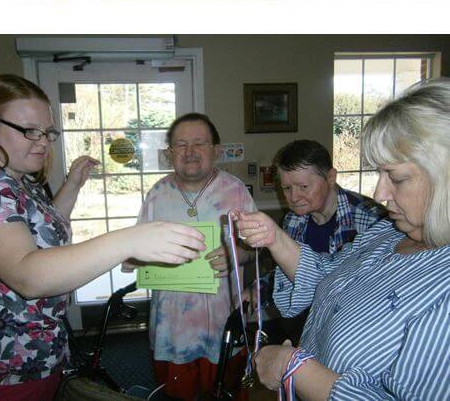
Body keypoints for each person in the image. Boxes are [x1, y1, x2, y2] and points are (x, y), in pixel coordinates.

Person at [0, 75, 205, 400]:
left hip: (33, 351)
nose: (44, 141)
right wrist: (129, 240)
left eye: (47, 132)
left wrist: (73, 184)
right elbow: (27, 274)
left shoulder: (18, 181)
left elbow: (47, 234)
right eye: (29, 130)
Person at [237, 78, 450, 400]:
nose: (380, 193)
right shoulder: (388, 232)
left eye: (397, 178)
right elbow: (324, 275)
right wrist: (274, 237)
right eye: (379, 175)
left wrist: (295, 369)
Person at [123, 112, 256, 400]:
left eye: (199, 143)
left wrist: (239, 254)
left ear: (216, 150)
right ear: (171, 153)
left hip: (223, 323)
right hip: (172, 328)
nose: (190, 152)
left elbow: (256, 248)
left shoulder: (236, 192)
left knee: (227, 393)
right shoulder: (157, 194)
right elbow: (133, 253)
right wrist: (135, 257)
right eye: (180, 145)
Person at [263, 139, 385, 344]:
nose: (293, 197)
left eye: (303, 186)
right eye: (286, 188)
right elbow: (285, 273)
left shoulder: (370, 220)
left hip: (352, 332)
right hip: (305, 326)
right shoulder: (293, 219)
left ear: (330, 177)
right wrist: (257, 289)